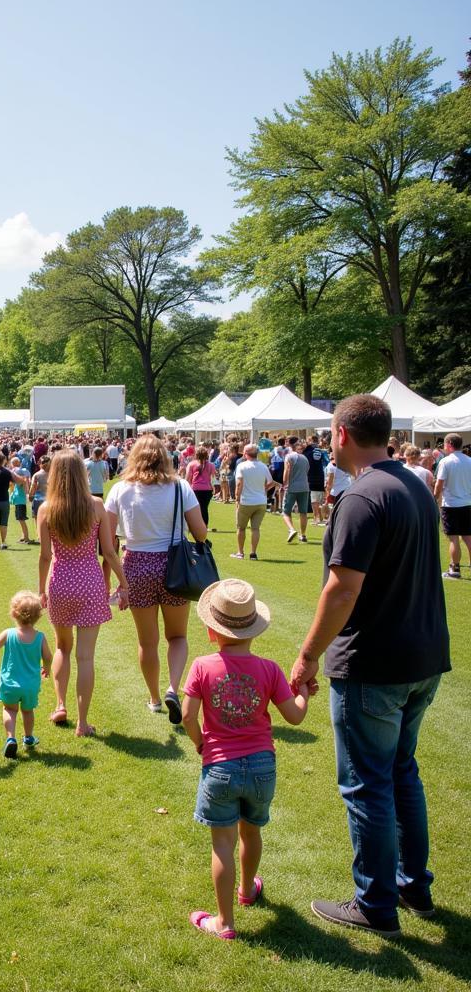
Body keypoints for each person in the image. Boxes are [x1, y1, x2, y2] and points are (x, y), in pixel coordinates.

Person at [290, 394, 450, 937]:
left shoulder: (363, 496)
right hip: (422, 654)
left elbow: (342, 589)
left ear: (340, 435)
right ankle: (412, 886)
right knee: (402, 772)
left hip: (375, 662)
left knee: (368, 784)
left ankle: (376, 903)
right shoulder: (414, 485)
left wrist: (308, 654)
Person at [182, 579, 312, 939]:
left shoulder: (202, 666)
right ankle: (247, 891)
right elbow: (295, 716)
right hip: (261, 767)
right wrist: (302, 692)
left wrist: (200, 744)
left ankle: (224, 922)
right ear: (254, 629)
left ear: (212, 630)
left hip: (219, 766)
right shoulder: (269, 669)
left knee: (222, 842)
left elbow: (188, 716)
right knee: (250, 831)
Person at [104, 434, 206, 721]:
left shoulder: (120, 490)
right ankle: (173, 687)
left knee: (147, 642)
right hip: (175, 565)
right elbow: (200, 533)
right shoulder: (180, 487)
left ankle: (154, 697)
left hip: (135, 566)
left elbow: (108, 542)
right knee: (177, 636)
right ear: (164, 457)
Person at [40, 450, 127, 737]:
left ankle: (60, 704)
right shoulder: (96, 505)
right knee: (85, 657)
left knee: (63, 647)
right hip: (90, 582)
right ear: (82, 473)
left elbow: (44, 556)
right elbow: (110, 553)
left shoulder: (46, 509)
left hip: (60, 581)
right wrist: (123, 584)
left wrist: (42, 590)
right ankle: (82, 723)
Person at [0, 590, 53, 759]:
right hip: (30, 685)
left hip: (10, 683)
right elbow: (48, 656)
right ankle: (29, 737)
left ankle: (11, 738)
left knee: (10, 709)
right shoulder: (40, 637)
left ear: (14, 613)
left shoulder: (8, 634)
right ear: (38, 616)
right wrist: (46, 667)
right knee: (28, 711)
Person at [434, 433, 471, 580]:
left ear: (449, 443)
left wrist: (434, 499)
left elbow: (439, 484)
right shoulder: (469, 460)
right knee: (468, 537)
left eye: (444, 443)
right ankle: (455, 568)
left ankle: (454, 570)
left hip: (451, 505)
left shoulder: (446, 461)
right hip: (467, 504)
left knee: (454, 538)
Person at [231, 445, 275, 561]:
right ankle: (253, 553)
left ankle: (240, 552)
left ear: (245, 453)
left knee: (241, 528)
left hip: (246, 501)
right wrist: (263, 489)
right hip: (260, 501)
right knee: (255, 529)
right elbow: (271, 482)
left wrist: (237, 498)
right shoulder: (263, 466)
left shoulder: (242, 466)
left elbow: (239, 484)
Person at [281, 436, 311, 543]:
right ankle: (303, 535)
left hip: (292, 487)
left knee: (285, 512)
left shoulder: (289, 457)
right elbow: (307, 472)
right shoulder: (304, 458)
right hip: (304, 487)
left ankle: (292, 529)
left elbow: (287, 471)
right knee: (303, 512)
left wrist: (284, 484)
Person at [186, 447, 217, 527]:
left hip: (195, 489)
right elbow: (213, 478)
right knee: (204, 508)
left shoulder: (191, 464)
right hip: (207, 490)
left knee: (195, 509)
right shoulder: (211, 465)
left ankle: (195, 526)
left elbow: (188, 478)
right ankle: (204, 526)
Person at [305, 435, 329, 526]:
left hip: (312, 477)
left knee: (314, 500)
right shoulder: (322, 451)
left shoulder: (308, 451)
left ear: (311, 440)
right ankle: (321, 517)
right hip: (321, 477)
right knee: (320, 498)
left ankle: (317, 518)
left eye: (308, 440)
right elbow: (327, 463)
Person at [9, 455, 32, 544]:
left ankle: (26, 538)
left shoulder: (20, 477)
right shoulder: (24, 474)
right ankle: (23, 537)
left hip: (20, 500)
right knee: (20, 519)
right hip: (20, 500)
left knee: (21, 520)